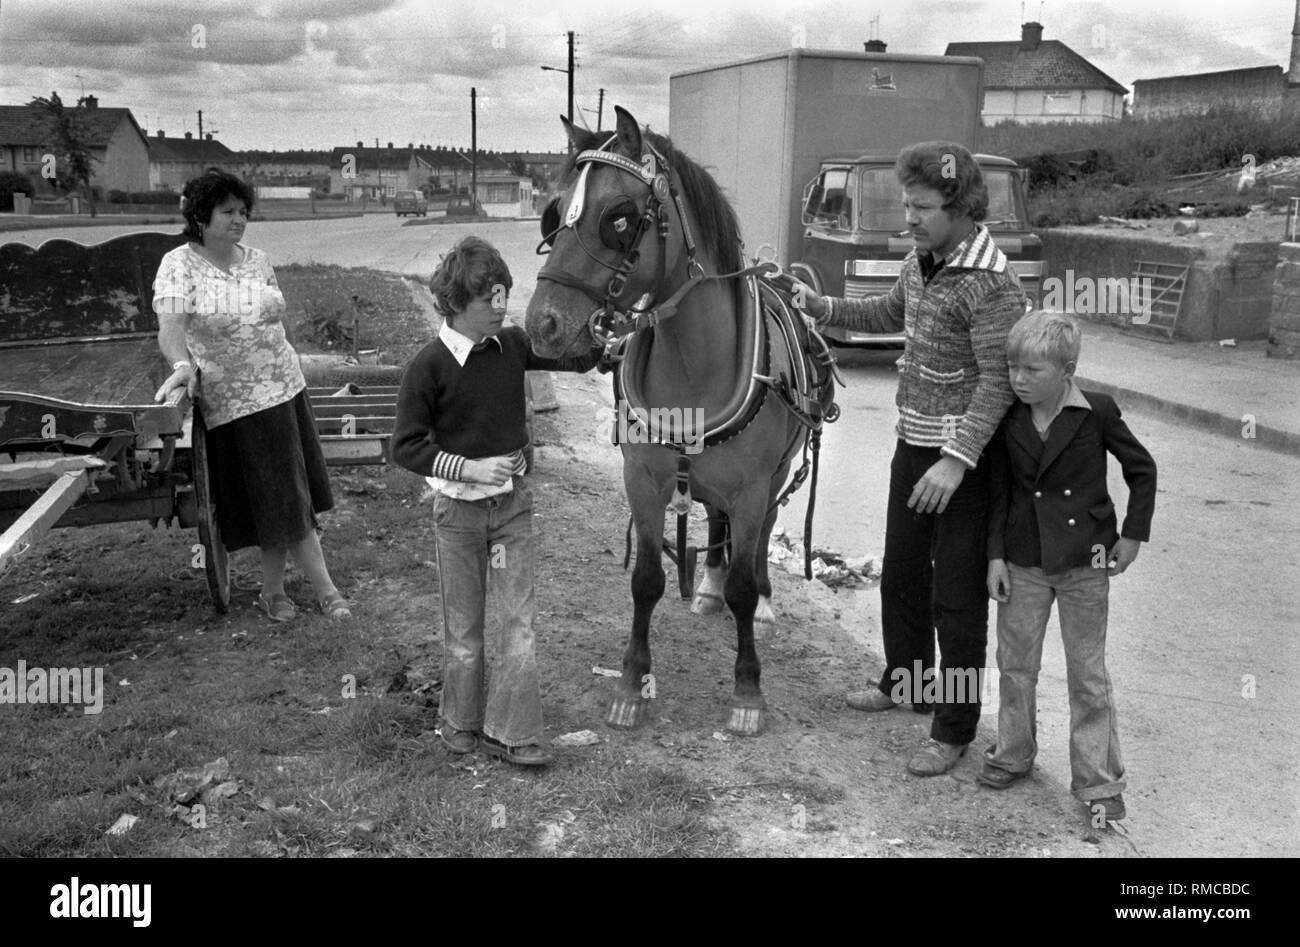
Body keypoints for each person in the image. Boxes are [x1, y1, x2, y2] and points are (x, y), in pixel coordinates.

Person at [797, 141, 1026, 776]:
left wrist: (955, 461)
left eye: (921, 207)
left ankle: (953, 727)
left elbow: (997, 383)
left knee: (955, 598)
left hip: (964, 465)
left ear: (962, 208)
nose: (909, 217)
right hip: (913, 444)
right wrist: (822, 307)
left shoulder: (991, 285)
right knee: (901, 575)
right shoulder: (922, 262)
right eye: (906, 204)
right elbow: (886, 312)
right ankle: (907, 684)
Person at [391, 236, 602, 767]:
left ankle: (511, 732)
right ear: (456, 303)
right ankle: (459, 721)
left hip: (512, 511)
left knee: (518, 623)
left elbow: (575, 358)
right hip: (457, 515)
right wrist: (466, 467)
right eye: (489, 299)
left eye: (505, 293)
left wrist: (610, 333)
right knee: (464, 630)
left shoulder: (512, 345)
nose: (502, 307)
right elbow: (405, 446)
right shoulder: (428, 366)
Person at [981, 311, 1156, 824]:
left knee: (1088, 674)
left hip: (1087, 560)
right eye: (1013, 367)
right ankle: (1012, 753)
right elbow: (999, 492)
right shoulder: (1008, 418)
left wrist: (1133, 535)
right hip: (1023, 560)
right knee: (1015, 666)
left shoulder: (1096, 412)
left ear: (1068, 369)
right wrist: (995, 555)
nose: (1018, 379)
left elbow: (1141, 469)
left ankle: (1099, 783)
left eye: (1032, 370)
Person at [153, 168, 349, 622]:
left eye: (243, 211)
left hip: (284, 387)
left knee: (283, 495)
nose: (238, 219)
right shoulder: (178, 265)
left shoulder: (257, 260)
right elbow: (171, 330)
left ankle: (281, 591)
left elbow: (272, 320)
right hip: (236, 401)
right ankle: (321, 591)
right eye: (228, 211)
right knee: (278, 496)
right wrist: (183, 367)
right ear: (201, 216)